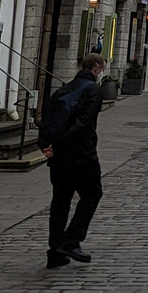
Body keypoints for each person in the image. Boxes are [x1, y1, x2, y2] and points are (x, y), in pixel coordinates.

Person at [37, 53, 107, 268]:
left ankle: (55, 252)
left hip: (58, 159)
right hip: (80, 155)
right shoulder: (92, 90)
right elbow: (83, 124)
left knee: (60, 202)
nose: (102, 73)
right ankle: (71, 240)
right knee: (92, 194)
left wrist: (47, 146)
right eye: (102, 69)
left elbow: (47, 118)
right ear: (95, 68)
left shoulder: (65, 88)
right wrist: (58, 147)